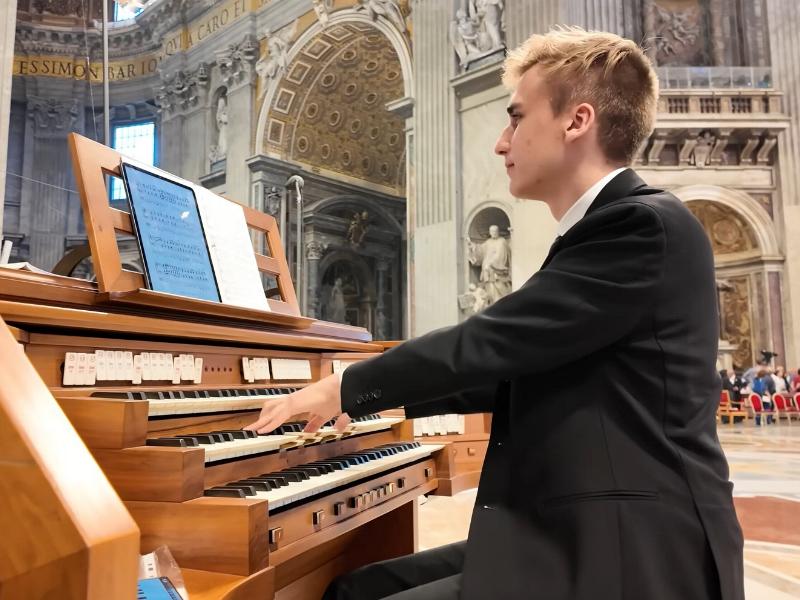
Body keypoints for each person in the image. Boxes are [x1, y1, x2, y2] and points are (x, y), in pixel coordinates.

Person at [246, 27, 743, 600]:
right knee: (354, 589)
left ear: (576, 121)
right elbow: (508, 368)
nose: (500, 143)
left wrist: (349, 385)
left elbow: (491, 343)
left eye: (515, 118)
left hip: (636, 546)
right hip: (580, 524)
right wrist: (365, 397)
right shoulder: (607, 230)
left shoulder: (642, 225)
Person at [467, 224, 511, 304]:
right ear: (490, 232)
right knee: (489, 289)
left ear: (498, 232)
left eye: (495, 231)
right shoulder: (488, 242)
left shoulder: (502, 241)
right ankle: (493, 304)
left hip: (497, 271)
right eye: (492, 231)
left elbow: (501, 255)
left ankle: (500, 303)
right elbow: (480, 250)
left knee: (498, 288)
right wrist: (472, 245)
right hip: (487, 270)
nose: (493, 233)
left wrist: (491, 264)